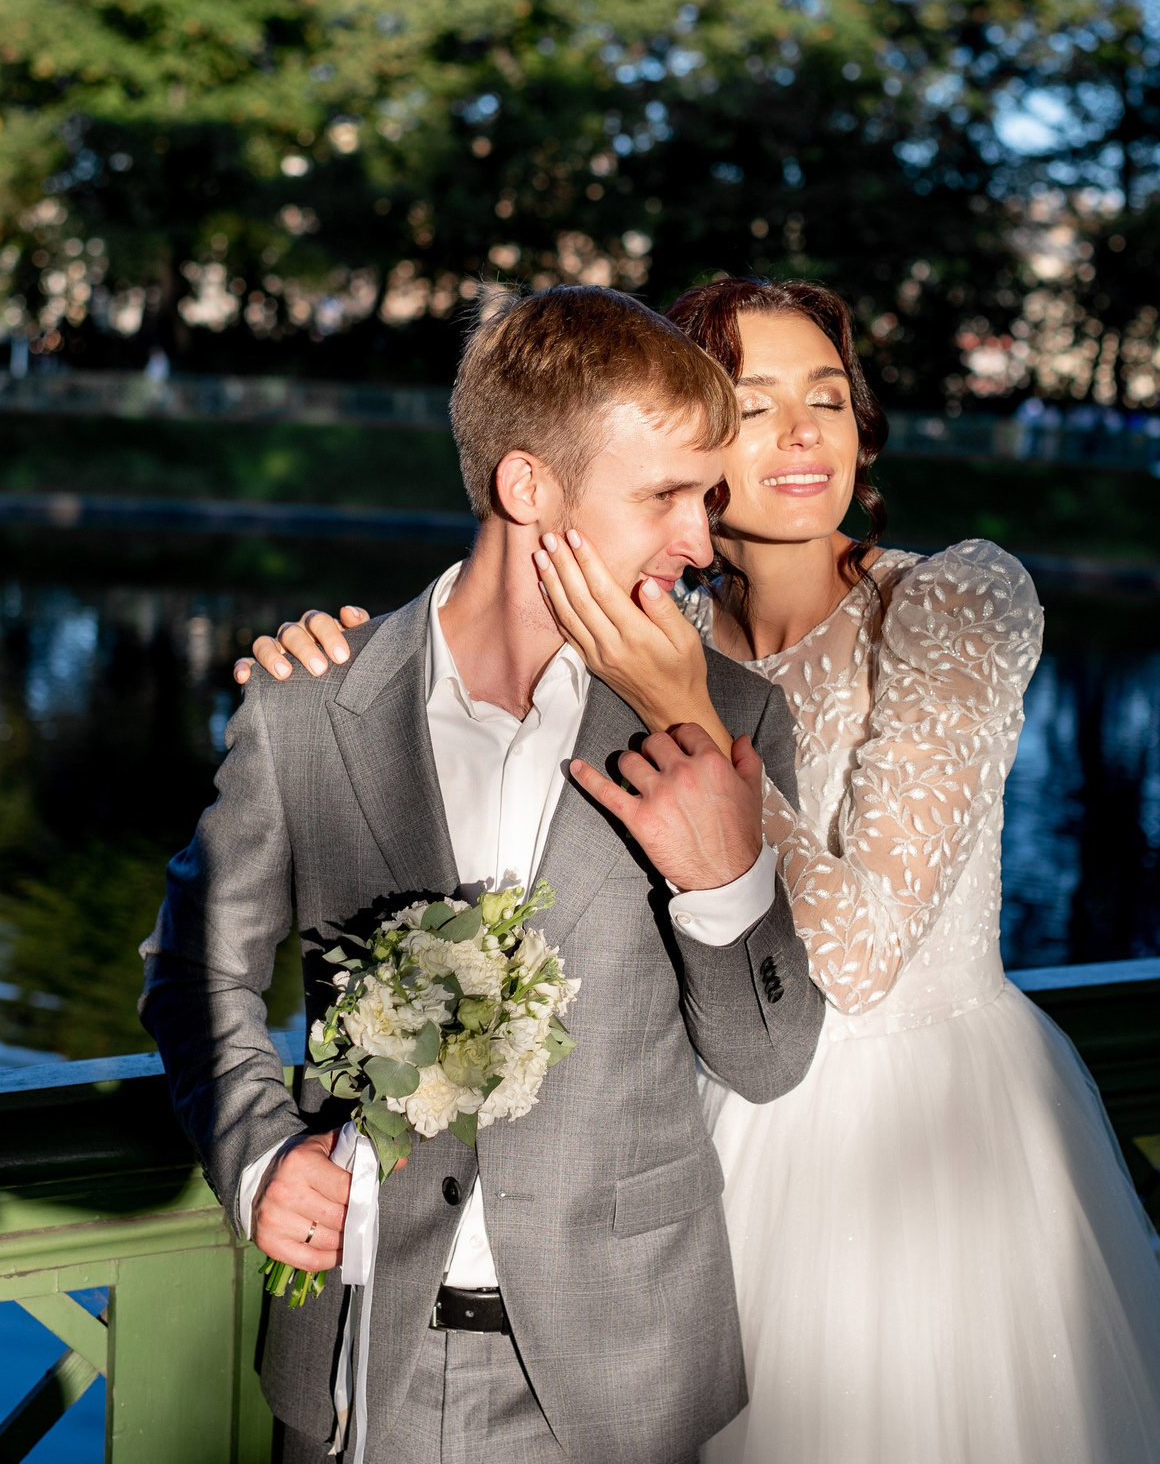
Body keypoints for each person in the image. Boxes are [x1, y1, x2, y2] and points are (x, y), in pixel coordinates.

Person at [244, 279, 1160, 1464]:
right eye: (756, 405)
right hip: (680, 1149)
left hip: (917, 1150)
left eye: (827, 396)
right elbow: (491, 636)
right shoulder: (642, 620)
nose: (804, 432)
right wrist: (326, 657)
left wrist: (684, 710)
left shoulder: (950, 600)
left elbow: (864, 959)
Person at [144, 285, 828, 1464]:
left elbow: (768, 1059)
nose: (699, 543)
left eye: (706, 499)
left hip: (624, 1370)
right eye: (665, 495)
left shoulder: (731, 716)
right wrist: (258, 1154)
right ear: (528, 488)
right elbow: (195, 970)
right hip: (362, 1359)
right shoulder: (311, 702)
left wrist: (724, 873)